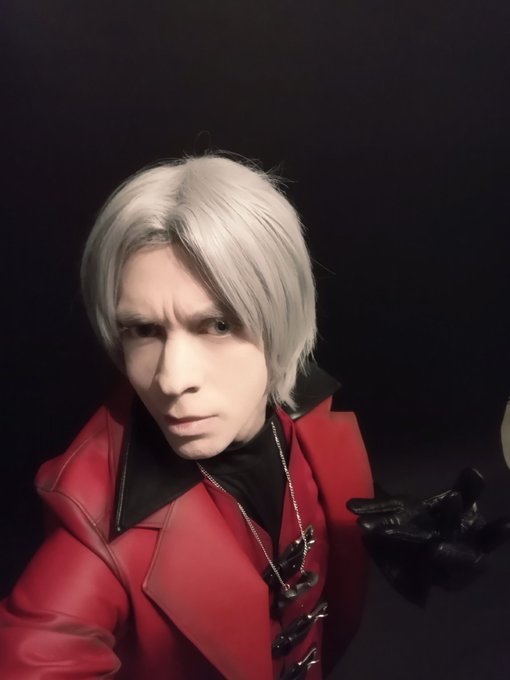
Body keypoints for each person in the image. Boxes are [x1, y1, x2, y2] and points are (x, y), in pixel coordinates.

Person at [0, 155, 373, 679]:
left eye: (217, 325)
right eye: (144, 330)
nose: (172, 380)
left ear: (279, 319)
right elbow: (37, 650)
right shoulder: (95, 521)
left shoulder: (304, 405)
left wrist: (386, 541)